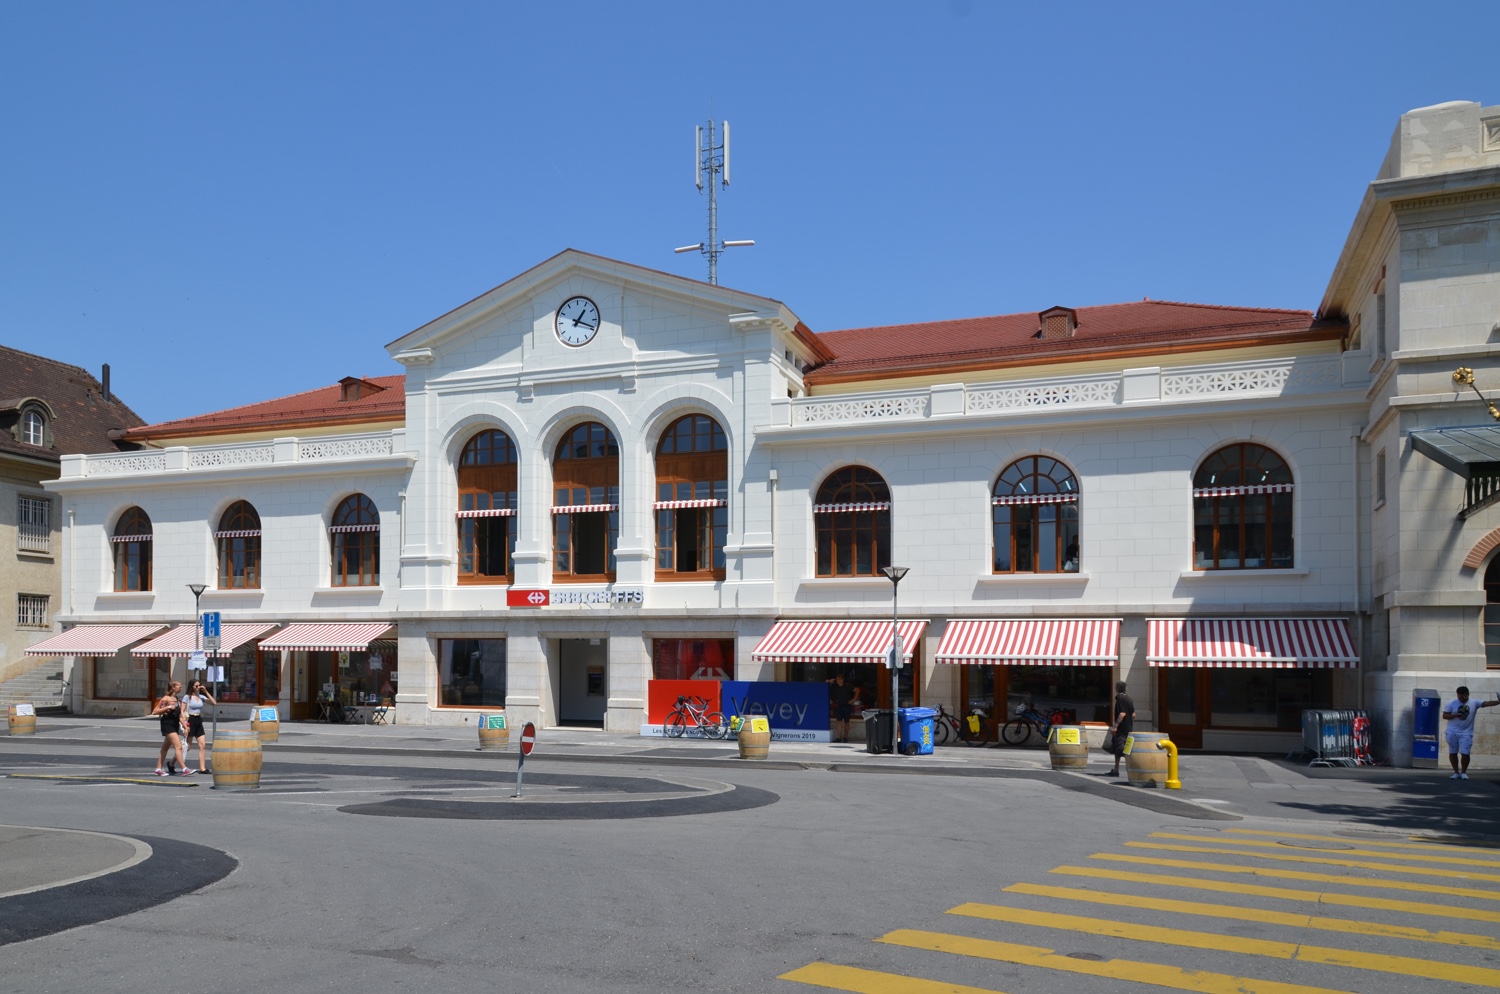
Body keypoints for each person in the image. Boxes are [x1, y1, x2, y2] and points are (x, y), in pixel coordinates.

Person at [1442, 685, 1498, 780]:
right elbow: (1445, 716)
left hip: (1466, 732)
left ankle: (1464, 772)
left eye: (1463, 696)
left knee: (1465, 752)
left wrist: (1498, 702)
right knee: (1453, 752)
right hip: (1452, 731)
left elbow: (1486, 703)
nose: (1461, 698)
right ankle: (1456, 772)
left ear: (1468, 694)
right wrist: (1455, 715)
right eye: (1459, 696)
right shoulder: (1451, 703)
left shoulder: (1474, 702)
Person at [152, 681, 189, 777]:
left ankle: (158, 768)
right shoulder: (166, 699)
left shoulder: (176, 699)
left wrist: (185, 726)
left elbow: (179, 715)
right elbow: (155, 711)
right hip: (167, 724)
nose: (181, 688)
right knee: (179, 746)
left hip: (174, 724)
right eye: (179, 686)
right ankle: (184, 768)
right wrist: (168, 707)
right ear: (173, 687)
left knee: (165, 748)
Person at [182, 679, 216, 774]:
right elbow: (182, 711)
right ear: (191, 686)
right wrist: (185, 725)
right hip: (190, 720)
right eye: (196, 686)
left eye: (199, 686)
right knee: (187, 746)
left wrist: (206, 691)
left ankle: (202, 768)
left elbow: (214, 703)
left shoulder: (201, 697)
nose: (198, 688)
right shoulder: (187, 697)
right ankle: (172, 763)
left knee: (202, 745)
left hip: (198, 720)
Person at [1105, 680, 1135, 777]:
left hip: (1121, 729)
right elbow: (1133, 715)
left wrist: (1115, 726)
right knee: (1122, 749)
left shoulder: (1120, 699)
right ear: (1125, 689)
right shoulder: (1130, 699)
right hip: (1129, 728)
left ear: (1117, 689)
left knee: (1119, 749)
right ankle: (1116, 769)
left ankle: (1118, 769)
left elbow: (1122, 713)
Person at [828, 672, 855, 743]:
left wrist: (853, 700)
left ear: (842, 680)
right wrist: (831, 680)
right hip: (839, 705)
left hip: (847, 705)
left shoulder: (847, 686)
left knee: (846, 722)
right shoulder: (835, 686)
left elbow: (857, 690)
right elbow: (826, 682)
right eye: (837, 679)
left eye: (839, 679)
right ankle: (838, 737)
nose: (838, 680)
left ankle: (846, 737)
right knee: (839, 721)